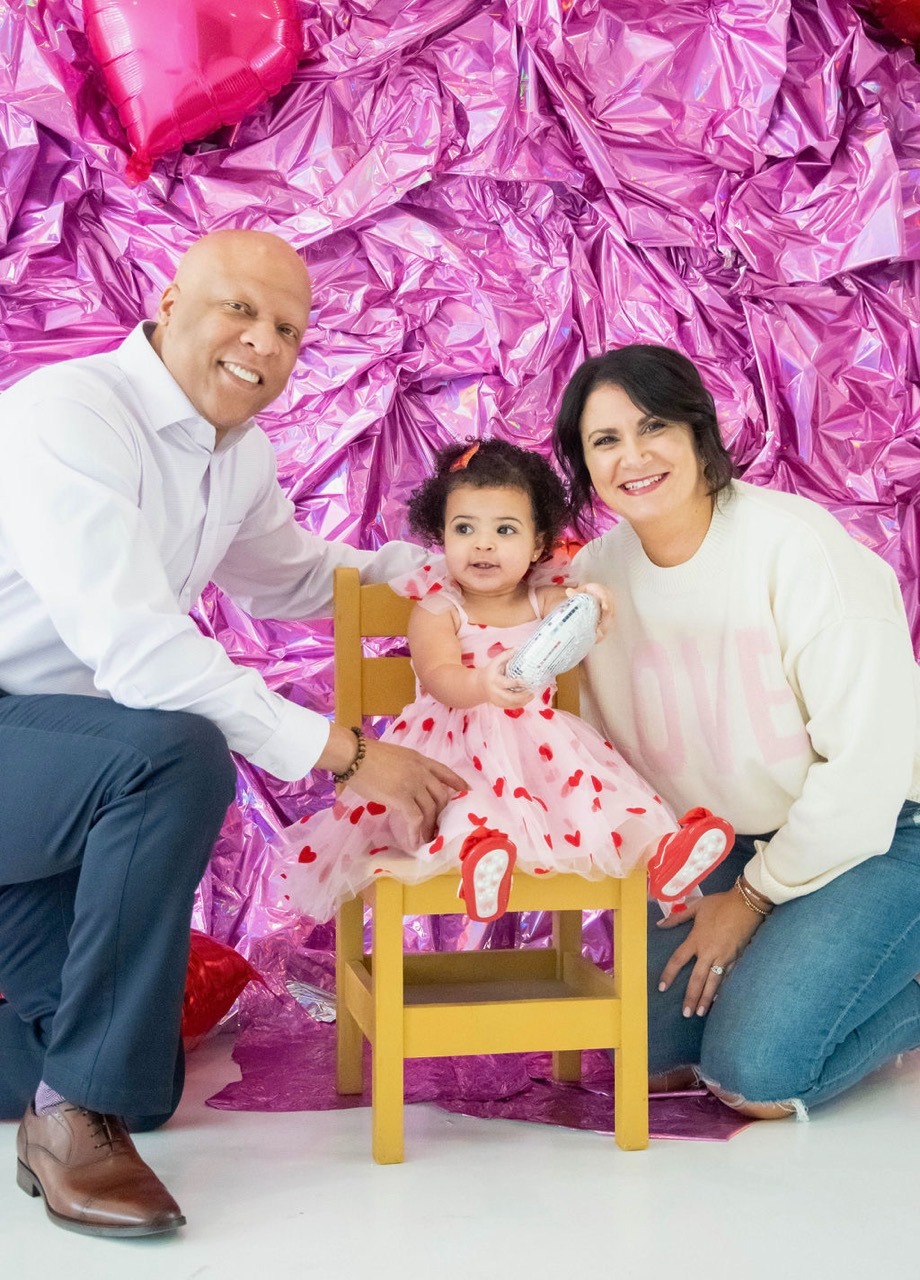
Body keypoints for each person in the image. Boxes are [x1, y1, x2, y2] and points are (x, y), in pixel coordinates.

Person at [0, 229, 465, 1238]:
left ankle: (81, 1094)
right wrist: (349, 752)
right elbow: (137, 649)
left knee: (145, 1085)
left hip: (58, 770)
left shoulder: (236, 453)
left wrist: (446, 575)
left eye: (289, 330)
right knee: (173, 752)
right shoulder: (69, 415)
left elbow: (292, 575)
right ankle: (71, 1119)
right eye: (240, 309)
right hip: (30, 748)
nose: (264, 342)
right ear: (168, 303)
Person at [552, 342, 920, 1120]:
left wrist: (751, 901)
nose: (634, 457)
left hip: (882, 834)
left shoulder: (796, 548)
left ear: (698, 431)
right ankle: (804, 965)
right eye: (606, 440)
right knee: (646, 1060)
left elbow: (870, 769)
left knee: (754, 1073)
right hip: (721, 848)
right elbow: (584, 753)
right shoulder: (595, 583)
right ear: (584, 465)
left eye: (654, 427)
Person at [273, 438, 734, 926]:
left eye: (505, 529)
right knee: (469, 800)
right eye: (464, 528)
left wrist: (592, 605)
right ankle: (481, 857)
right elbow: (440, 677)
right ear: (441, 536)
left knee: (609, 798)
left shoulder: (543, 600)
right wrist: (482, 686)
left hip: (542, 752)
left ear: (537, 544)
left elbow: (576, 619)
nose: (483, 543)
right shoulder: (438, 609)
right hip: (453, 747)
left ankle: (662, 855)